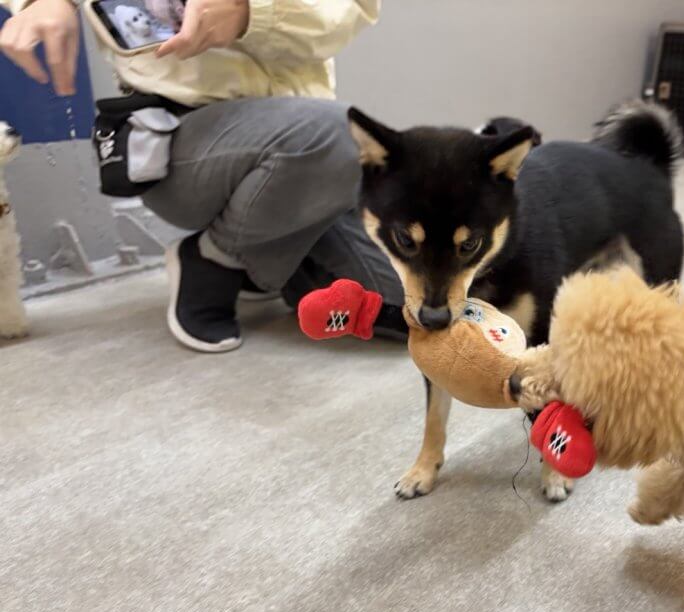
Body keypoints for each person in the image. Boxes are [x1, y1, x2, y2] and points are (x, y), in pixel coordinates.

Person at [0, 0, 406, 353]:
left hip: (310, 145)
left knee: (408, 310)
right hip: (183, 140)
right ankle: (211, 261)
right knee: (340, 133)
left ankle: (273, 262)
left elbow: (350, 11)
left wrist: (253, 11)